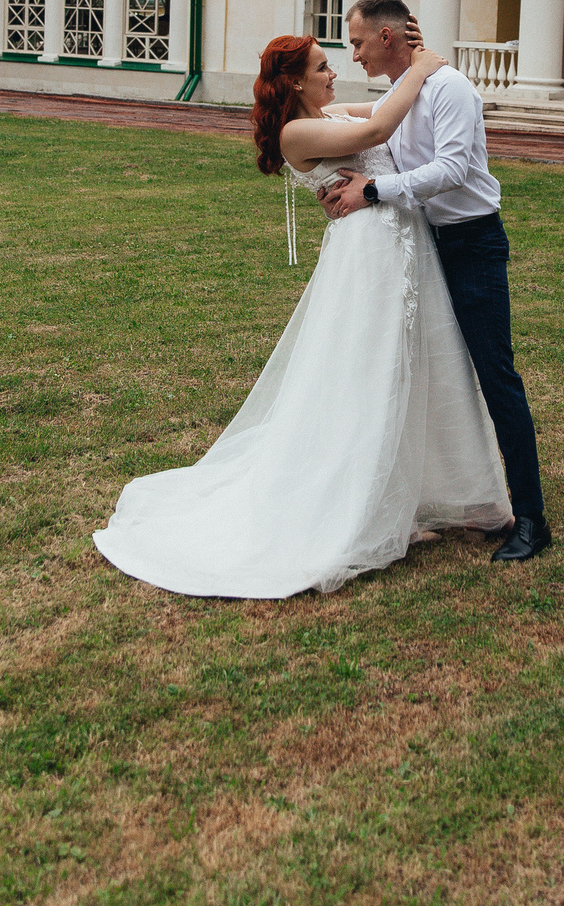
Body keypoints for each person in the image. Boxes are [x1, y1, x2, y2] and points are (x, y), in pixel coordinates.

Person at [92, 33, 512, 599]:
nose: (335, 71)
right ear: (295, 81)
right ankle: (357, 505)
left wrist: (418, 73)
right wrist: (424, 67)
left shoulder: (329, 112)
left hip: (403, 247)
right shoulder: (298, 132)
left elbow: (387, 110)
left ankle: (432, 491)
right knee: (371, 373)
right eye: (322, 66)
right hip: (369, 256)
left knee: (419, 365)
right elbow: (376, 131)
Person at [318, 0, 551, 563]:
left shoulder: (450, 89)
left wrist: (370, 190)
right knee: (423, 373)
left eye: (358, 43)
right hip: (421, 246)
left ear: (388, 37)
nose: (354, 56)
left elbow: (452, 170)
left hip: (472, 244)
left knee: (496, 376)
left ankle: (531, 520)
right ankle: (443, 498)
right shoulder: (396, 95)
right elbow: (368, 133)